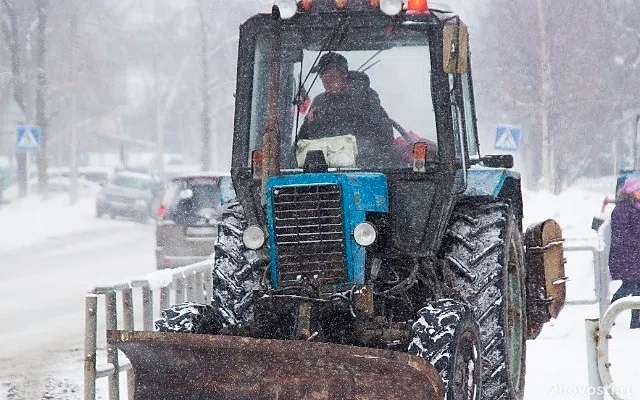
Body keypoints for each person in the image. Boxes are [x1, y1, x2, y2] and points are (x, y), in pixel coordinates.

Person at [296, 52, 395, 166]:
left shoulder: (366, 99)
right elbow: (302, 142)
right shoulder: (320, 102)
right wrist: (308, 124)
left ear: (343, 74)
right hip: (325, 170)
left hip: (362, 169)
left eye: (330, 76)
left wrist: (356, 151)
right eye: (322, 77)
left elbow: (384, 140)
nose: (326, 82)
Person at [608, 177, 640, 329]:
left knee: (633, 288)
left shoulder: (633, 207)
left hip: (633, 257)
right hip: (628, 258)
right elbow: (622, 235)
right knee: (631, 288)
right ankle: (611, 314)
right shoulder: (623, 209)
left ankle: (634, 321)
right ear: (631, 193)